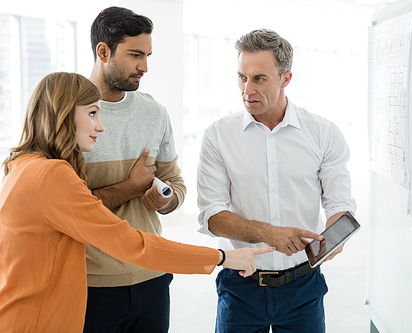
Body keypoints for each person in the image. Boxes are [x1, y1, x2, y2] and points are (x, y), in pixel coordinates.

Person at [0, 72, 272, 333]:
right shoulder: (52, 175)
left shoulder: (22, 167)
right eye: (92, 113)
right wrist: (223, 257)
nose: (100, 126)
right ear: (64, 112)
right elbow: (132, 244)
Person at [197, 29, 357, 333]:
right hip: (240, 286)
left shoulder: (322, 133)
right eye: (242, 77)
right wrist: (269, 234)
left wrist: (333, 237)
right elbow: (212, 216)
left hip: (302, 288)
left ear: (286, 78)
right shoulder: (218, 136)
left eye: (259, 79)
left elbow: (340, 203)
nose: (247, 89)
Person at [83, 7, 184, 332]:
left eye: (148, 55)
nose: (144, 67)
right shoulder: (67, 115)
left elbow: (176, 183)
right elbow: (65, 210)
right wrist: (130, 186)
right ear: (104, 51)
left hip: (152, 278)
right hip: (90, 285)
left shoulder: (155, 113)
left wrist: (165, 199)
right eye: (135, 55)